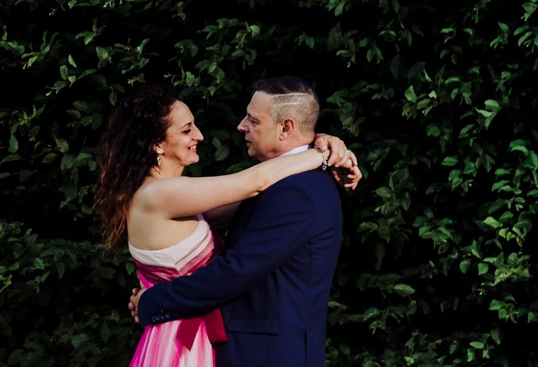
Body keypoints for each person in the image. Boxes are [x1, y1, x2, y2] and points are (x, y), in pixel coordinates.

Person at [98, 82, 359, 367]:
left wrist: (321, 144)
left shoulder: (296, 190)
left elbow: (251, 202)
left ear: (285, 127)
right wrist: (324, 152)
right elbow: (254, 184)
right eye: (187, 130)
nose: (200, 135)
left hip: (251, 349)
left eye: (253, 120)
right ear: (156, 144)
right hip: (184, 343)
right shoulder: (160, 195)